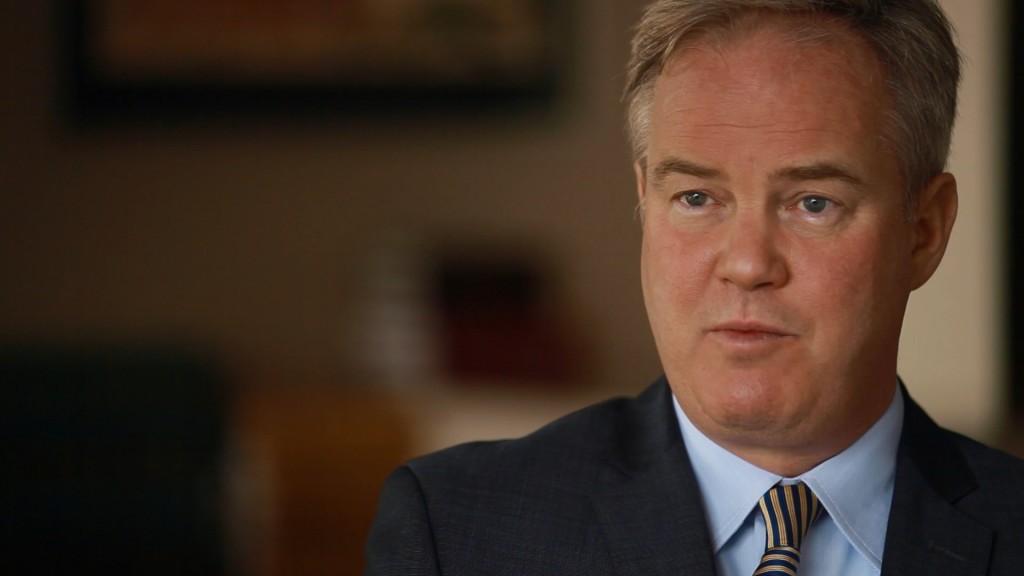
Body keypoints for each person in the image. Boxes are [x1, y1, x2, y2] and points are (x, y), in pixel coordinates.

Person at [364, 1, 1024, 574]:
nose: (747, 264)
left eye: (814, 203)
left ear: (924, 231)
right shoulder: (457, 532)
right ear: (644, 201)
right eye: (697, 197)